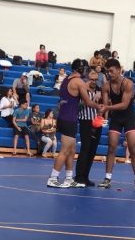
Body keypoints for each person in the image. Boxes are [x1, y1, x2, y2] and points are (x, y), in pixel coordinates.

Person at [47, 59, 100, 188]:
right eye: (85, 69)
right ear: (81, 69)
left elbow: (64, 98)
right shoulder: (79, 82)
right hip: (69, 119)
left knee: (72, 149)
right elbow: (88, 102)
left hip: (64, 117)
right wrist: (101, 106)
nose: (87, 71)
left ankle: (69, 178)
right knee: (65, 150)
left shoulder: (66, 80)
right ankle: (53, 178)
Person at [98, 59, 135, 192]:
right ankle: (107, 178)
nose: (109, 74)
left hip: (128, 117)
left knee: (133, 148)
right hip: (116, 118)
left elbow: (123, 105)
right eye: (107, 72)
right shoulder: (106, 86)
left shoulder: (127, 83)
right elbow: (106, 107)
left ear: (119, 70)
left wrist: (106, 107)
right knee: (111, 147)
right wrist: (101, 110)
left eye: (111, 71)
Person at [75, 70, 103, 186]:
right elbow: (79, 106)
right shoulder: (82, 89)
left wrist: (99, 97)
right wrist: (93, 100)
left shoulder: (98, 90)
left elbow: (102, 106)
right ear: (87, 78)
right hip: (85, 121)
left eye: (96, 80)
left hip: (96, 122)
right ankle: (79, 176)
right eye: (92, 79)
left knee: (92, 151)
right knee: (85, 148)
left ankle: (86, 176)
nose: (94, 82)